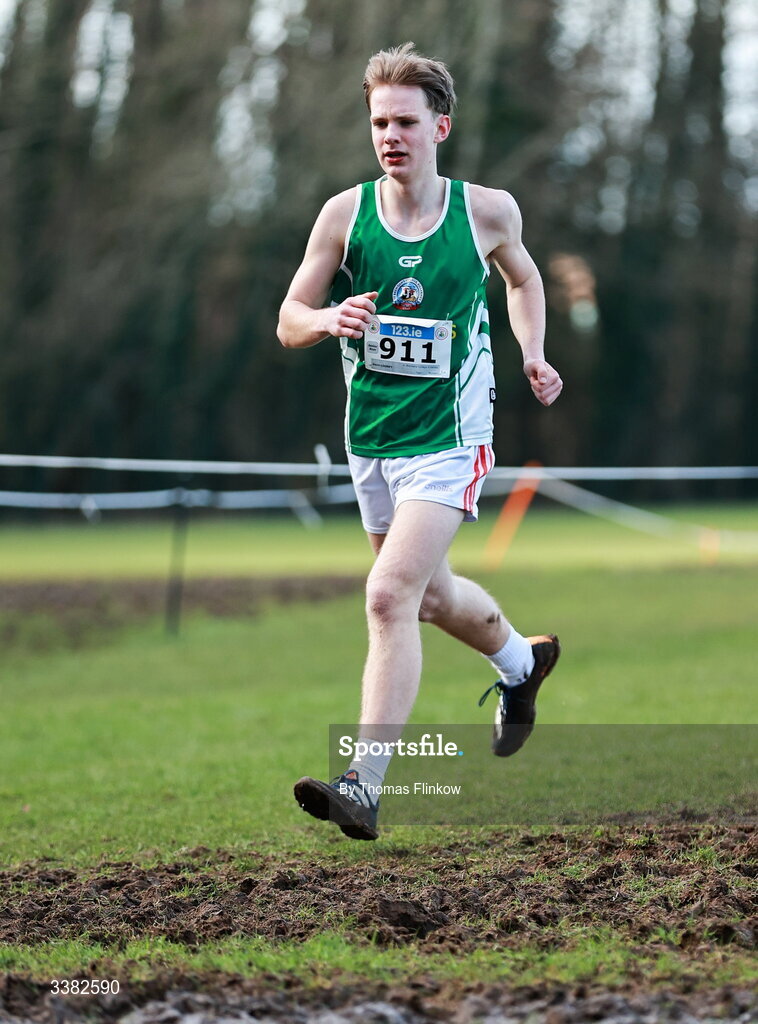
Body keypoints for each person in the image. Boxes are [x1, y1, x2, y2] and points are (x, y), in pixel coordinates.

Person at [278, 43, 563, 841]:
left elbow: (526, 279)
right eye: (378, 122)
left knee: (386, 596)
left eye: (404, 121)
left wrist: (534, 352)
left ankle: (363, 785)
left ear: (440, 125)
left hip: (451, 436)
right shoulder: (344, 215)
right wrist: (329, 318)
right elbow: (288, 317)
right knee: (429, 597)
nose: (389, 136)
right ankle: (520, 663)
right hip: (371, 438)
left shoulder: (485, 211)